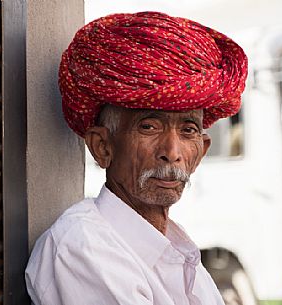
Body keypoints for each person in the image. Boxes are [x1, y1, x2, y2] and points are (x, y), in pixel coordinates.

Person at [25, 11, 248, 305]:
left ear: (201, 152)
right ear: (102, 146)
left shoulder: (178, 250)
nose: (172, 152)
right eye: (149, 126)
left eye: (188, 129)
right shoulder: (83, 247)